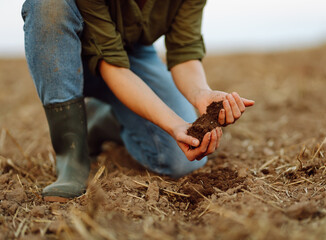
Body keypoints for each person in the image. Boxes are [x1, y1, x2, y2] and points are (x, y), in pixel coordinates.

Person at [21, 0, 254, 202]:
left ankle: (104, 118)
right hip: (69, 48)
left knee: (181, 161)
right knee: (49, 5)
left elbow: (185, 52)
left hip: (131, 53)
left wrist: (201, 93)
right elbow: (111, 63)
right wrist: (172, 123)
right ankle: (70, 158)